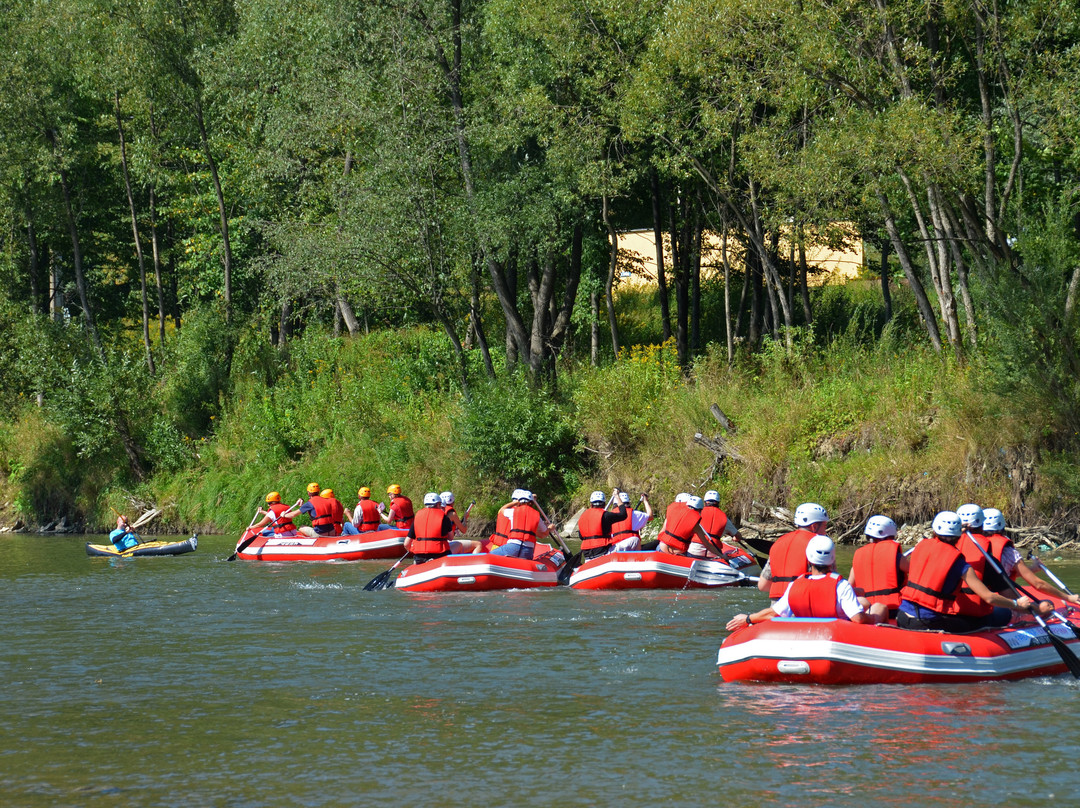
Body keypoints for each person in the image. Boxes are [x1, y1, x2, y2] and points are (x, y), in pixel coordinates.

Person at [896, 511, 1050, 632]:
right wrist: (1017, 603)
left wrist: (958, 530)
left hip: (902, 616)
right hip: (926, 622)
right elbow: (989, 598)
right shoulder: (961, 564)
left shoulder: (921, 547)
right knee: (1000, 614)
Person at [727, 536, 872, 630]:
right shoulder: (841, 585)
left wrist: (747, 618)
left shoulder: (796, 584)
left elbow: (773, 613)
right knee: (872, 606)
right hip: (835, 636)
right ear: (832, 559)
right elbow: (858, 619)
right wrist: (875, 618)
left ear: (808, 558)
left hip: (802, 633)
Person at [977, 508, 1080, 604]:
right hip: (1002, 605)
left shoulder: (975, 547)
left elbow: (999, 575)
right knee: (1048, 606)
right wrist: (1068, 597)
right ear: (1002, 526)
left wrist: (1031, 569)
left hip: (978, 601)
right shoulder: (1009, 553)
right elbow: (1038, 584)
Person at [758, 502, 829, 600]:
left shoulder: (778, 543)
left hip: (777, 608)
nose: (825, 532)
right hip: (803, 606)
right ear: (814, 527)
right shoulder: (819, 543)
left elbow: (763, 585)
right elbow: (829, 585)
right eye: (824, 527)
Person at [848, 515, 908, 621]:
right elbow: (917, 576)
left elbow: (849, 587)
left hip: (867, 609)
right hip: (893, 610)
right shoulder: (897, 557)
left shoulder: (858, 556)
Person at [491, 490, 550, 560]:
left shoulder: (513, 512)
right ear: (531, 502)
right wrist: (550, 528)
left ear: (520, 502)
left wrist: (516, 502)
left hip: (512, 547)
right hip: (528, 550)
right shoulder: (537, 515)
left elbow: (502, 510)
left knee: (489, 556)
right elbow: (544, 533)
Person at [576, 489, 628, 560]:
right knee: (634, 540)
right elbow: (623, 515)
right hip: (603, 552)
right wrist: (617, 497)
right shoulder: (606, 515)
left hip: (587, 555)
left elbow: (581, 536)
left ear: (591, 504)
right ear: (604, 504)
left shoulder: (582, 516)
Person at [404, 493, 455, 564]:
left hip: (419, 558)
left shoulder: (418, 517)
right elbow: (451, 537)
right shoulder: (444, 518)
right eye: (440, 504)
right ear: (437, 504)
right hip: (439, 556)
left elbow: (406, 544)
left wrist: (413, 550)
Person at [690, 490, 742, 559]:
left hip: (695, 550)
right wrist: (736, 538)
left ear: (705, 502)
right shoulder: (724, 518)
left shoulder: (698, 513)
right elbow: (738, 536)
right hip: (713, 553)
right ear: (718, 503)